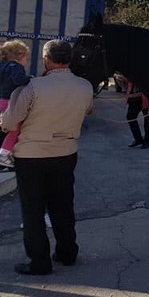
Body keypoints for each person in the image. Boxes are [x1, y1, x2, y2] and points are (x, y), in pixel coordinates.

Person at [0, 39, 93, 275]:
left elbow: (10, 123)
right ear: (69, 59)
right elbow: (87, 110)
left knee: (33, 211)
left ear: (46, 59)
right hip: (66, 152)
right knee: (63, 205)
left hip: (31, 156)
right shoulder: (85, 86)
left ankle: (39, 261)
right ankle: (67, 252)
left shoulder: (32, 87)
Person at [0, 40, 32, 169]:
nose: (26, 62)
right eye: (26, 58)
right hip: (10, 102)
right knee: (14, 130)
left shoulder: (2, 65)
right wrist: (30, 78)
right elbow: (18, 80)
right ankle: (4, 154)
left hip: (1, 100)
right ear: (20, 56)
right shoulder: (16, 67)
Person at [125, 79, 149, 148]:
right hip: (133, 100)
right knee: (130, 117)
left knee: (147, 120)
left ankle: (147, 141)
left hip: (145, 98)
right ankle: (138, 139)